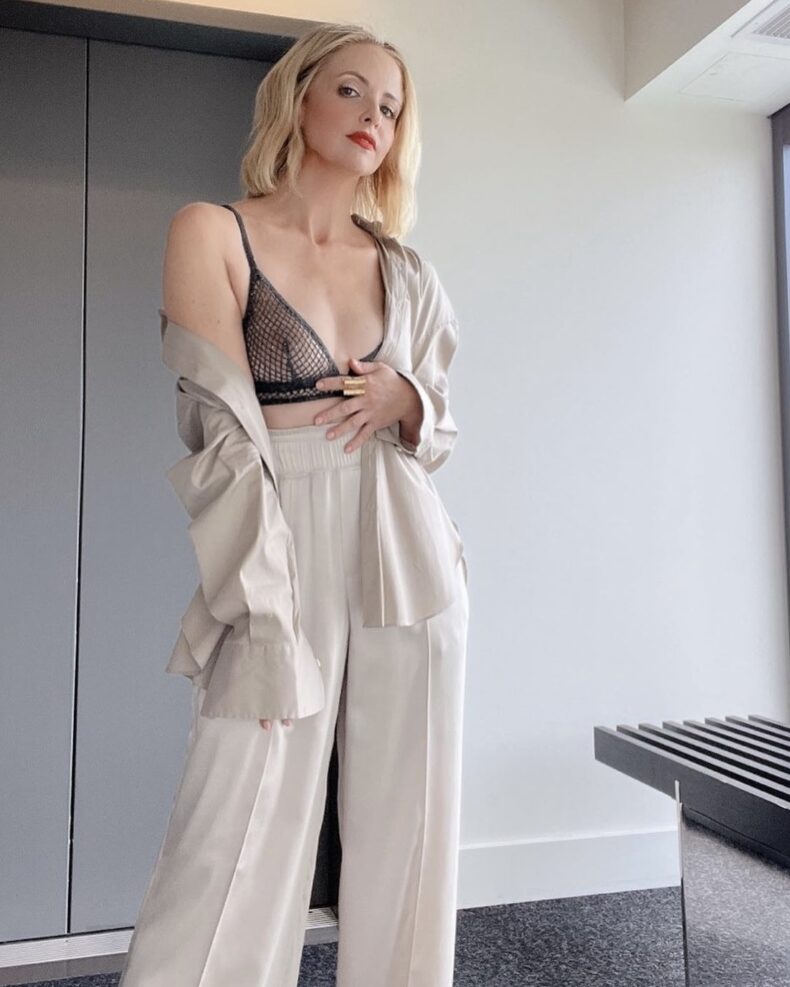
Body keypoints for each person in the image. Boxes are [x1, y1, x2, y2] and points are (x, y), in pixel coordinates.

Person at [119, 20, 469, 987]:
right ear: (299, 96)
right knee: (238, 812)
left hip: (410, 550)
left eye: (390, 107)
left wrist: (409, 399)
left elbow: (439, 429)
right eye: (352, 90)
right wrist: (264, 611)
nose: (373, 117)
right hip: (281, 528)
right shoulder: (212, 231)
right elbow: (225, 440)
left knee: (411, 825)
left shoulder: (408, 271)